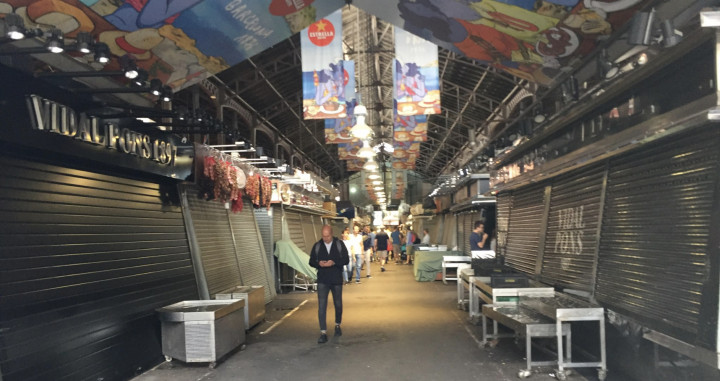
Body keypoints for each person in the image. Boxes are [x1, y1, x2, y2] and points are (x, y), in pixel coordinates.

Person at [309, 225, 349, 344]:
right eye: (323, 236)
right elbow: (311, 261)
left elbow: (346, 260)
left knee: (338, 303)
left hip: (336, 279)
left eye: (327, 236)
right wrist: (318, 263)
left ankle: (337, 324)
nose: (325, 238)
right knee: (322, 306)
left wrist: (334, 262)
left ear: (331, 234)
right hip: (322, 280)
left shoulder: (339, 244)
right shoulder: (317, 246)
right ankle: (323, 332)